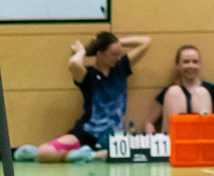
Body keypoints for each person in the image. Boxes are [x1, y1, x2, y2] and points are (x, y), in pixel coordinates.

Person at [22, 32, 151, 163]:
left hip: (113, 135)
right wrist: (81, 52)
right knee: (44, 153)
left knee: (130, 149)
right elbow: (73, 63)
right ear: (100, 54)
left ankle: (88, 155)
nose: (118, 58)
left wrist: (116, 43)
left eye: (119, 53)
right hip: (88, 131)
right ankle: (85, 155)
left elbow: (145, 41)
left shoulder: (121, 68)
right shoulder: (88, 75)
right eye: (113, 54)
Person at [143, 45, 214, 134]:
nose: (191, 66)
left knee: (201, 92)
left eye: (195, 62)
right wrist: (153, 138)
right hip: (174, 138)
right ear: (177, 65)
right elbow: (149, 123)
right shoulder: (168, 92)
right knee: (174, 92)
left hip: (202, 137)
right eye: (186, 62)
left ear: (200, 64)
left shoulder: (212, 90)